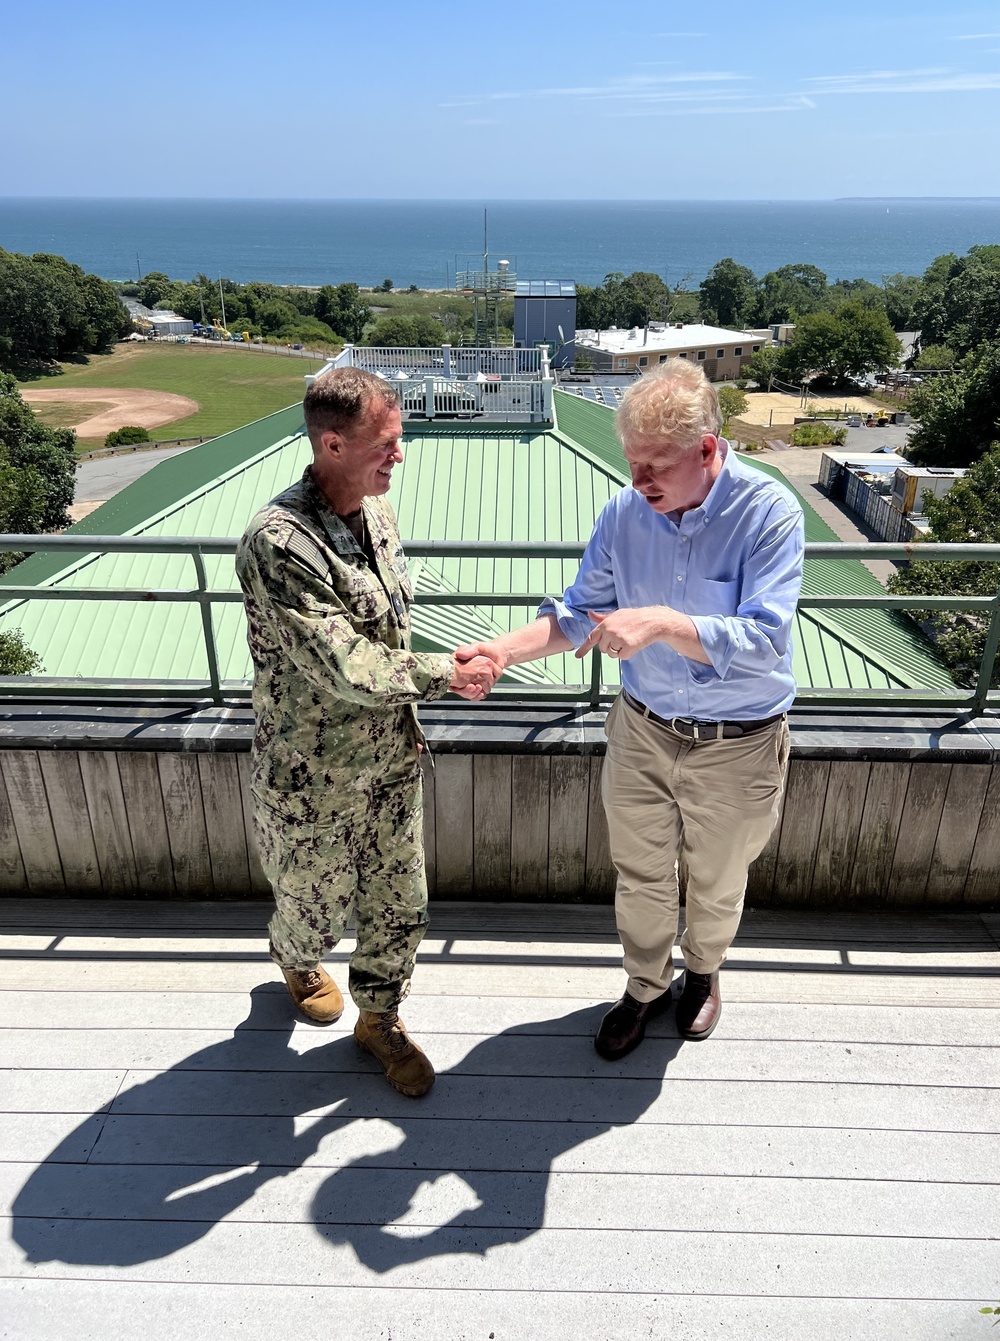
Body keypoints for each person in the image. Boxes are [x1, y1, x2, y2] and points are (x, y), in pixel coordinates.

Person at [457, 359, 804, 1058]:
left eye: (655, 466)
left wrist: (662, 622)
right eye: (632, 464)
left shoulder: (770, 512)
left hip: (738, 741)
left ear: (707, 450)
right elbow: (579, 614)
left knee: (717, 875)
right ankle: (645, 985)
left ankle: (703, 972)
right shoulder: (625, 511)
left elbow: (766, 642)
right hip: (643, 728)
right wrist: (500, 651)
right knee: (641, 872)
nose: (639, 481)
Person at [236, 368, 498, 1096]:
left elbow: (389, 632)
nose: (400, 455)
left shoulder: (376, 516)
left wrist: (441, 668)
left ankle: (377, 1017)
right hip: (311, 775)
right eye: (386, 443)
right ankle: (292, 956)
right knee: (311, 911)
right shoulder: (277, 542)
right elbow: (346, 665)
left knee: (400, 902)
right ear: (331, 443)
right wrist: (450, 673)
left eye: (399, 438)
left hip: (389, 760)